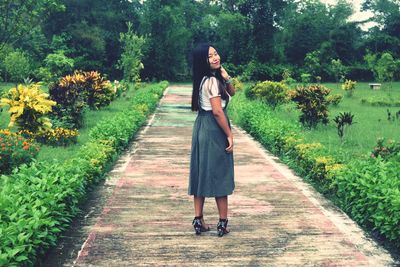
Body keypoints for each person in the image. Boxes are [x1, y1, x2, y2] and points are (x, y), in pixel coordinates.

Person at [189, 43, 236, 237]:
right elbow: (217, 111)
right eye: (210, 56)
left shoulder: (205, 80)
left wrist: (227, 77)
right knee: (220, 173)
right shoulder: (212, 82)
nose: (216, 57)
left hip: (201, 126)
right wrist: (229, 135)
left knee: (200, 173)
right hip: (213, 128)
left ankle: (198, 220)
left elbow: (232, 92)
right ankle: (222, 223)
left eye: (216, 53)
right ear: (203, 61)